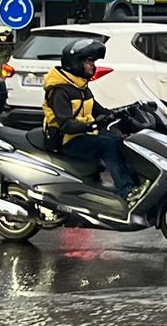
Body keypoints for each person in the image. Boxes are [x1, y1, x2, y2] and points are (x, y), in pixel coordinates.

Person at [42, 38, 146, 207]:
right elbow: (66, 125)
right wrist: (92, 125)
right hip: (65, 140)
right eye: (89, 62)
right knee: (110, 145)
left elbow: (100, 110)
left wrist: (125, 111)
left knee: (123, 139)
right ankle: (126, 192)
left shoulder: (80, 86)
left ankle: (137, 184)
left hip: (83, 134)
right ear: (75, 63)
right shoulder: (60, 91)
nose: (93, 66)